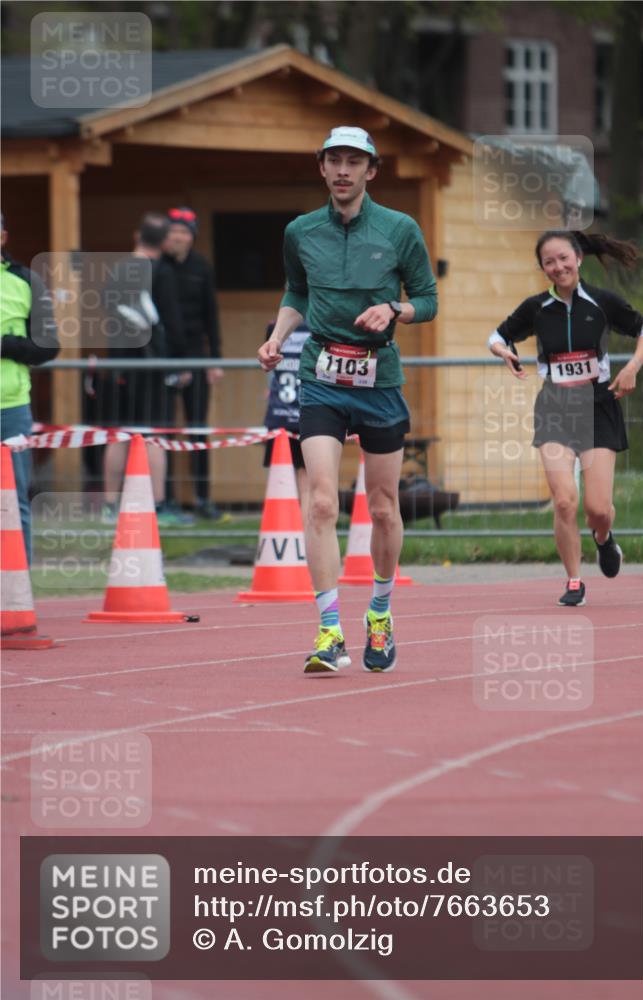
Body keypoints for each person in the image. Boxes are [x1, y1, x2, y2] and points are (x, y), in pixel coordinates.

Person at [258, 126, 437, 674]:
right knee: (319, 501)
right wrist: (278, 336)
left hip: (378, 377)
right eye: (333, 160)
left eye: (353, 162)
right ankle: (329, 628)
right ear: (322, 168)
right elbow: (296, 291)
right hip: (321, 376)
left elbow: (426, 299)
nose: (342, 170)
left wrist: (395, 310)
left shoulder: (400, 229)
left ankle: (378, 614)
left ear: (370, 171)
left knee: (383, 507)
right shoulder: (300, 231)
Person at [488, 229, 643, 607]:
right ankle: (575, 580)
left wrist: (631, 367)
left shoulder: (601, 302)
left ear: (578, 258)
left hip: (598, 406)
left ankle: (603, 537)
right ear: (543, 268)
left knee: (597, 509)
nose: (558, 266)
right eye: (549, 261)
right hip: (554, 408)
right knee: (564, 500)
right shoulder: (536, 308)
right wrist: (505, 353)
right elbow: (496, 336)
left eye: (564, 258)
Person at [102, 212, 189, 526]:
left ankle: (110, 506)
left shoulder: (117, 271)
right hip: (152, 365)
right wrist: (181, 360)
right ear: (164, 241)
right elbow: (172, 321)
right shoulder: (162, 273)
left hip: (119, 362)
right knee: (154, 434)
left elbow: (106, 311)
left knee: (117, 434)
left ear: (137, 236)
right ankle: (158, 505)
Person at [0, 212, 59, 560]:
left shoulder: (25, 281)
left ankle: (17, 587)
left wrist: (5, 345)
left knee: (14, 499)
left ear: (3, 237)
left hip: (11, 407)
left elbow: (48, 345)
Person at [163, 207, 224, 520]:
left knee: (198, 427)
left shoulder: (202, 266)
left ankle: (203, 499)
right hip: (162, 357)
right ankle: (167, 499)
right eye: (173, 231)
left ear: (192, 237)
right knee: (163, 430)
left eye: (184, 232)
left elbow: (211, 315)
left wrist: (215, 359)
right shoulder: (156, 265)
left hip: (197, 355)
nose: (178, 236)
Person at [262, 319, 310, 520]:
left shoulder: (275, 328)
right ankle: (303, 534)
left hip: (281, 412)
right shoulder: (321, 326)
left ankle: (287, 529)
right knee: (307, 480)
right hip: (311, 411)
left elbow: (269, 368)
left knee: (282, 479)